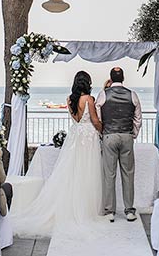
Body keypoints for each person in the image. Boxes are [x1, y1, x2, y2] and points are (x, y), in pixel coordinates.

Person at [12, 70, 102, 237]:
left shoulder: (70, 100)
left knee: (73, 172)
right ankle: (85, 210)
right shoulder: (89, 99)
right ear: (87, 83)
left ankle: (69, 206)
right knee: (87, 172)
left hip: (76, 136)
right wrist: (102, 130)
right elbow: (95, 121)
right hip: (89, 138)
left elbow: (76, 120)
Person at [95, 66, 142, 223]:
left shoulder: (103, 94)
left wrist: (103, 133)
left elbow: (98, 116)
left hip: (109, 136)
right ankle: (129, 211)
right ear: (123, 78)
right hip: (127, 136)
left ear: (111, 78)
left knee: (109, 174)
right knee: (128, 174)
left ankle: (110, 211)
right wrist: (132, 134)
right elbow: (138, 119)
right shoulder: (132, 95)